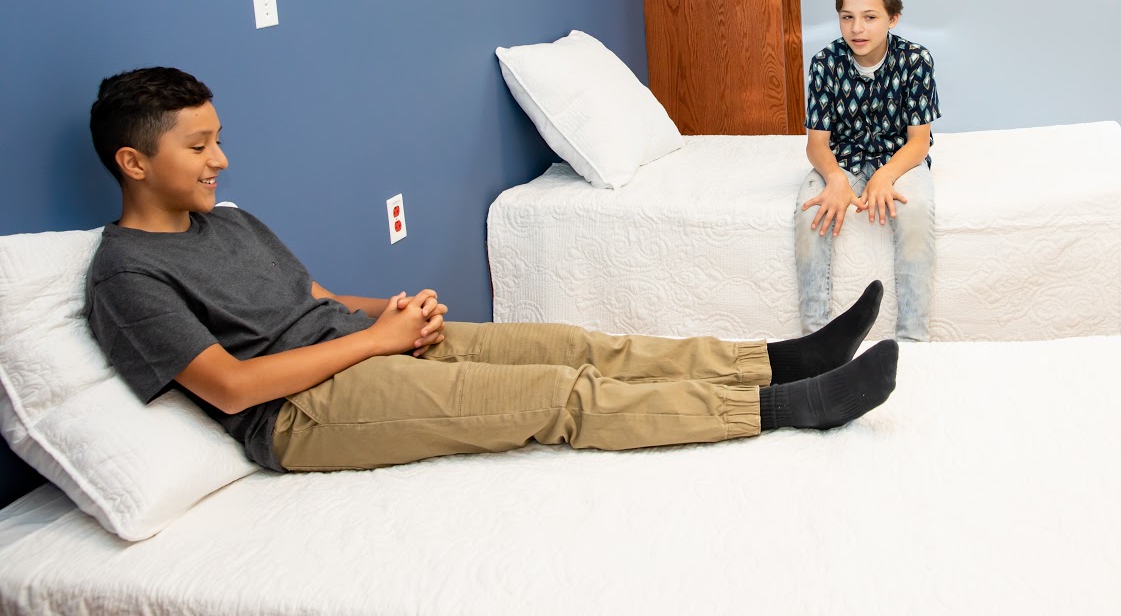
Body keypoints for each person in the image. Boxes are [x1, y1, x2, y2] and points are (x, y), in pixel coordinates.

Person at [83, 67, 896, 474]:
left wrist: (392, 310)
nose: (221, 159)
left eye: (218, 139)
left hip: (362, 345)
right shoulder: (126, 274)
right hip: (298, 412)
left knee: (579, 346)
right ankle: (785, 406)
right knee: (558, 396)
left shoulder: (226, 221)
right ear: (134, 161)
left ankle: (779, 358)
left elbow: (315, 297)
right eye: (199, 146)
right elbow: (230, 387)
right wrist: (375, 341)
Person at [796, 0, 940, 342]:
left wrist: (885, 175)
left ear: (893, 19)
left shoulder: (915, 60)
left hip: (899, 158)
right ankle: (816, 338)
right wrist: (835, 178)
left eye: (870, 17)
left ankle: (912, 340)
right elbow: (816, 144)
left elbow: (919, 142)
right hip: (841, 158)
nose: (857, 28)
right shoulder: (825, 63)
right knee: (811, 212)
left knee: (915, 211)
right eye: (847, 17)